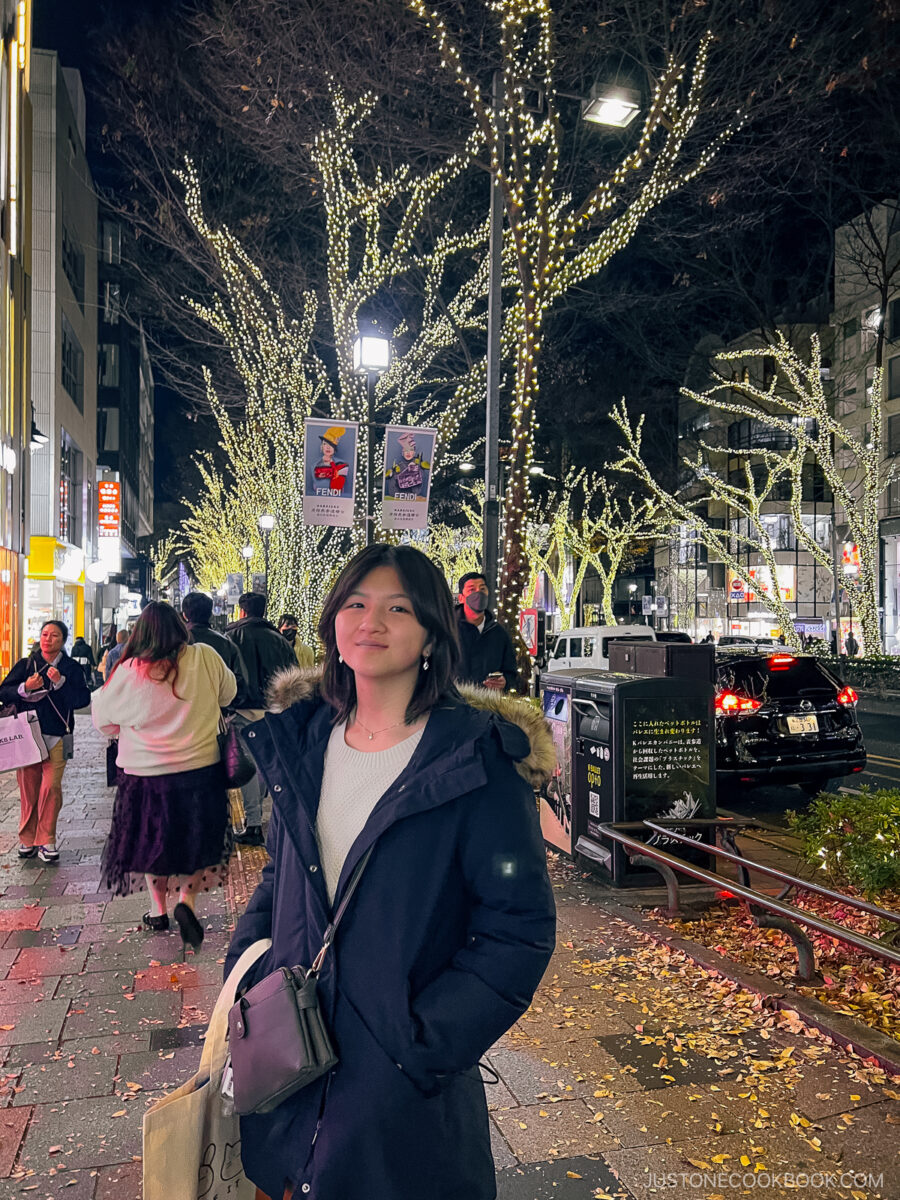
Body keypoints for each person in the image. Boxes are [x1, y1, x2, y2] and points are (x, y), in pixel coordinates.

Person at [225, 544, 556, 1200]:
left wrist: (420, 1043)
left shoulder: (475, 760)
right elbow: (281, 873)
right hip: (286, 1081)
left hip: (401, 1109)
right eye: (355, 603)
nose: (370, 621)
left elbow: (517, 931)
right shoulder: (304, 741)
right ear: (332, 626)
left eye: (397, 607)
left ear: (434, 633)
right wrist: (249, 967)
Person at [92, 601, 237, 953]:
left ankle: (158, 911)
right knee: (196, 842)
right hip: (200, 771)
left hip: (145, 776)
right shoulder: (205, 657)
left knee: (151, 842)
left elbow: (104, 722)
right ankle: (186, 902)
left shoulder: (129, 670)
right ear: (181, 626)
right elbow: (228, 695)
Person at [0, 620, 91, 863]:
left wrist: (61, 683)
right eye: (44, 634)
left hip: (57, 735)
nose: (47, 639)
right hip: (27, 737)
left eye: (54, 636)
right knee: (29, 790)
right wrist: (24, 687)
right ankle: (28, 839)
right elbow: (3, 691)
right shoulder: (26, 664)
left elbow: (82, 699)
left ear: (63, 641)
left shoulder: (71, 668)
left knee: (51, 787)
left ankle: (46, 839)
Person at [225, 593, 295, 846]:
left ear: (242, 612)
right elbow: (293, 674)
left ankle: (253, 823)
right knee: (267, 762)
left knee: (248, 765)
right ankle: (268, 815)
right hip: (273, 709)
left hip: (242, 709)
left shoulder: (230, 638)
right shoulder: (280, 641)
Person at [182, 591, 250, 707]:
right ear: (210, 613)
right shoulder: (226, 643)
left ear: (184, 615)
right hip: (217, 713)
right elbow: (240, 683)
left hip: (181, 713)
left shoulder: (178, 641)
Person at [455, 571, 518, 691]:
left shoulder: (499, 634)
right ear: (461, 598)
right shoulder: (448, 631)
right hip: (453, 704)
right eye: (472, 590)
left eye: (482, 589)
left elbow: (511, 673)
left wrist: (505, 682)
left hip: (487, 706)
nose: (478, 593)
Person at [312, 426, 350, 494]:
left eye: (331, 445)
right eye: (325, 444)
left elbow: (341, 487)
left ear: (334, 448)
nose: (328, 447)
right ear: (322, 447)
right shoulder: (314, 466)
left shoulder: (342, 464)